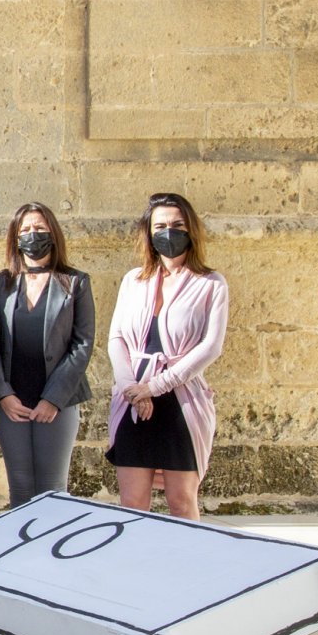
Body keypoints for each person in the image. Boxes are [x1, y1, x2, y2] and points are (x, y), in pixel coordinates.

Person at [106, 193, 228, 519]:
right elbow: (116, 337)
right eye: (160, 225)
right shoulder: (134, 280)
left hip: (180, 402)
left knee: (182, 501)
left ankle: (187, 568)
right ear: (148, 232)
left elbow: (210, 346)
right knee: (132, 503)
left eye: (177, 225)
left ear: (191, 230)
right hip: (133, 401)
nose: (168, 232)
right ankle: (136, 567)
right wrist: (131, 387)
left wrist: (155, 388)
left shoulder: (211, 284)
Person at [0, 203, 95, 507]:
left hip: (58, 402)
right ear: (15, 237)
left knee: (52, 486)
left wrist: (53, 399)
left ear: (53, 232)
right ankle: (23, 554)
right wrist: (3, 394)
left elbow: (82, 344)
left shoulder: (75, 282)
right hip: (12, 402)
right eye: (25, 230)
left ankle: (51, 553)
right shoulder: (2, 283)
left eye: (39, 229)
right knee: (20, 484)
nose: (33, 235)